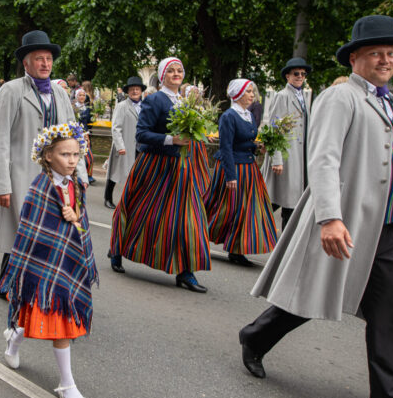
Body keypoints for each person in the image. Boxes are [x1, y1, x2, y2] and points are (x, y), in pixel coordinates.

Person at [242, 15, 393, 398]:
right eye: (376, 53)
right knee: (313, 295)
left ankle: (389, 394)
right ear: (355, 58)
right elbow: (324, 158)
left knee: (388, 308)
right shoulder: (341, 97)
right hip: (344, 221)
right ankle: (256, 337)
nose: (386, 60)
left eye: (392, 53)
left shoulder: (387, 100)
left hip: (385, 227)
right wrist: (330, 217)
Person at [0, 122, 98, 398]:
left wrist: (74, 215)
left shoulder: (76, 183)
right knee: (55, 322)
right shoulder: (39, 188)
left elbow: (81, 221)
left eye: (76, 155)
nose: (72, 161)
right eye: (65, 155)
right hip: (43, 264)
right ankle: (67, 385)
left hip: (67, 262)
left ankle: (13, 341)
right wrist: (62, 216)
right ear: (48, 156)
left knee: (49, 320)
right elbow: (31, 230)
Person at [0, 30, 85, 296]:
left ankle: (38, 282)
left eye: (48, 59)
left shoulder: (59, 93)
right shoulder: (11, 91)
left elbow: (71, 136)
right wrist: (1, 184)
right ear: (26, 63)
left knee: (49, 231)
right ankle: (9, 280)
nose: (45, 63)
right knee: (23, 231)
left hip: (54, 177)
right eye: (38, 58)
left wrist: (80, 175)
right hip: (21, 174)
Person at [109, 57, 211, 293]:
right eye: (171, 71)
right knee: (141, 212)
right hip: (155, 165)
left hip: (182, 168)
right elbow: (142, 134)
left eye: (180, 70)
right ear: (163, 75)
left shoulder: (187, 101)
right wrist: (171, 140)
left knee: (187, 218)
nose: (176, 74)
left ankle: (186, 271)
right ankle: (117, 249)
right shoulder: (154, 100)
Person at [204, 78, 278, 266]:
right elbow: (226, 147)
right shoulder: (229, 116)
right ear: (237, 95)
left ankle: (237, 249)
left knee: (247, 210)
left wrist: (257, 146)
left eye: (253, 92)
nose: (253, 95)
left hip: (248, 168)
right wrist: (230, 176)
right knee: (227, 208)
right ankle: (199, 233)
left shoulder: (249, 115)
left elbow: (245, 141)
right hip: (233, 168)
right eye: (249, 92)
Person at [260, 57, 311, 230]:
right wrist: (276, 159)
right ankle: (245, 235)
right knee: (276, 202)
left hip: (298, 158)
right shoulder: (282, 96)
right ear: (287, 76)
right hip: (286, 158)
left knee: (289, 203)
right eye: (296, 73)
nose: (300, 77)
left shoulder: (302, 97)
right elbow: (274, 127)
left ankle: (285, 250)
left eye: (303, 74)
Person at [104, 76, 144, 209]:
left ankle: (132, 200)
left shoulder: (145, 106)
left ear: (141, 91)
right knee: (115, 174)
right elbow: (116, 128)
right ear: (128, 91)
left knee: (137, 174)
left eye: (137, 89)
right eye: (132, 89)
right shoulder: (122, 106)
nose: (135, 91)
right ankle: (108, 198)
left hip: (140, 146)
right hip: (125, 144)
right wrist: (120, 146)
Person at [73, 88, 97, 184]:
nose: (82, 97)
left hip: (85, 135)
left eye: (83, 95)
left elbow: (90, 122)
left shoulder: (88, 108)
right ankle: (75, 174)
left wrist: (94, 117)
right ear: (76, 96)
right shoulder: (73, 108)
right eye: (80, 95)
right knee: (76, 156)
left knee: (89, 156)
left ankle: (89, 175)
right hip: (76, 134)